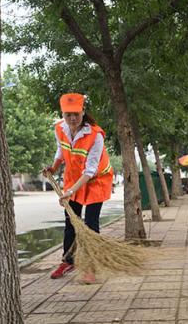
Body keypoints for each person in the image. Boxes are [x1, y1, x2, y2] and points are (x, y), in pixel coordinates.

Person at [43, 93, 113, 283]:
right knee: (71, 222)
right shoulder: (60, 128)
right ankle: (68, 261)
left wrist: (70, 191)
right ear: (62, 114)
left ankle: (91, 266)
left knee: (91, 224)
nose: (72, 118)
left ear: (83, 112)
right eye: (68, 115)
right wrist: (54, 167)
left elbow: (90, 170)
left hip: (96, 180)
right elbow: (61, 149)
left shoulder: (95, 135)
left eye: (76, 114)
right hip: (74, 178)